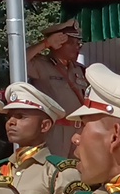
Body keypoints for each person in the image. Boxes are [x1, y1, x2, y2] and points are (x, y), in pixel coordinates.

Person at [24, 21, 88, 156]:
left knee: (76, 172)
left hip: (79, 131)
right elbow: (18, 61)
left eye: (78, 44)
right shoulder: (42, 65)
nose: (77, 47)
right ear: (56, 45)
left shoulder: (79, 69)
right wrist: (45, 44)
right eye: (71, 43)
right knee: (54, 170)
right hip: (55, 131)